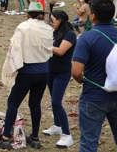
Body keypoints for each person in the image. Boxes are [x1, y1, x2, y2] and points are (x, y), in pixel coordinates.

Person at [71, 0, 117, 152]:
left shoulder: (86, 38)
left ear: (93, 15)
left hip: (93, 96)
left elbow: (76, 71)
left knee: (89, 143)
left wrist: (84, 80)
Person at [0, 2, 53, 150]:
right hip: (44, 71)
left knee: (13, 102)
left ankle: (6, 136)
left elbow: (15, 49)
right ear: (41, 15)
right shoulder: (48, 28)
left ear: (28, 13)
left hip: (27, 70)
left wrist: (13, 69)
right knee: (35, 104)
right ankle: (35, 137)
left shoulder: (23, 27)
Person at [43, 10, 76, 148]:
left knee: (57, 102)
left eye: (53, 20)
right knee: (53, 99)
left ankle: (67, 135)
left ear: (61, 20)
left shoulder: (70, 34)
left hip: (62, 73)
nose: (51, 22)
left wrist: (45, 46)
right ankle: (57, 125)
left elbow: (61, 51)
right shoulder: (55, 32)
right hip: (51, 70)